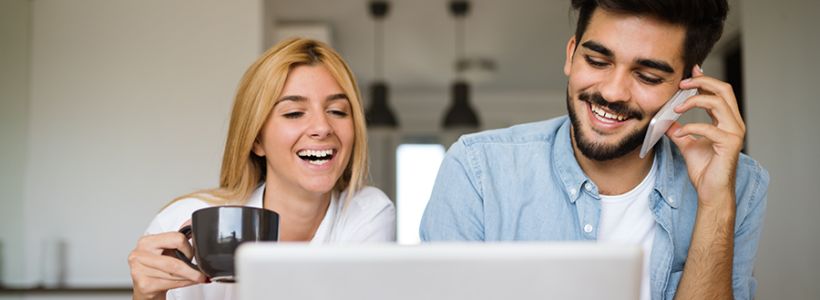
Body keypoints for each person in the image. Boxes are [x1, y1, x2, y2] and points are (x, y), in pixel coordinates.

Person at [420, 0, 768, 299]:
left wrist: (715, 203)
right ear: (572, 55)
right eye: (598, 61)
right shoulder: (477, 170)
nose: (614, 92)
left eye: (647, 75)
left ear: (686, 90)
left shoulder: (738, 185)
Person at [127, 38, 396, 300]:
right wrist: (146, 298)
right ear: (256, 140)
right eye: (294, 113)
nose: (323, 127)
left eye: (337, 111)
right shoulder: (178, 221)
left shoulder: (367, 215)